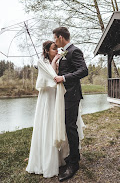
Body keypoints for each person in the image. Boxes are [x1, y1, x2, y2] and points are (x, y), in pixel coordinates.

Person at [26, 40, 84, 178]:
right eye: (53, 49)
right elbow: (52, 78)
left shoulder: (60, 61)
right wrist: (54, 64)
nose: (57, 51)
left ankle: (63, 157)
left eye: (57, 49)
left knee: (61, 125)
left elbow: (62, 76)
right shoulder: (42, 62)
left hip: (59, 97)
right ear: (46, 51)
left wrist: (58, 64)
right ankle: (48, 160)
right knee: (49, 126)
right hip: (48, 98)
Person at [53, 27, 88, 182]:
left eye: (55, 38)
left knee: (71, 127)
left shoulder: (75, 51)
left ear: (61, 37)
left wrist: (64, 78)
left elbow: (84, 70)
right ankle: (74, 155)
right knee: (68, 126)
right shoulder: (63, 54)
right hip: (64, 95)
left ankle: (74, 163)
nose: (54, 41)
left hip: (72, 95)